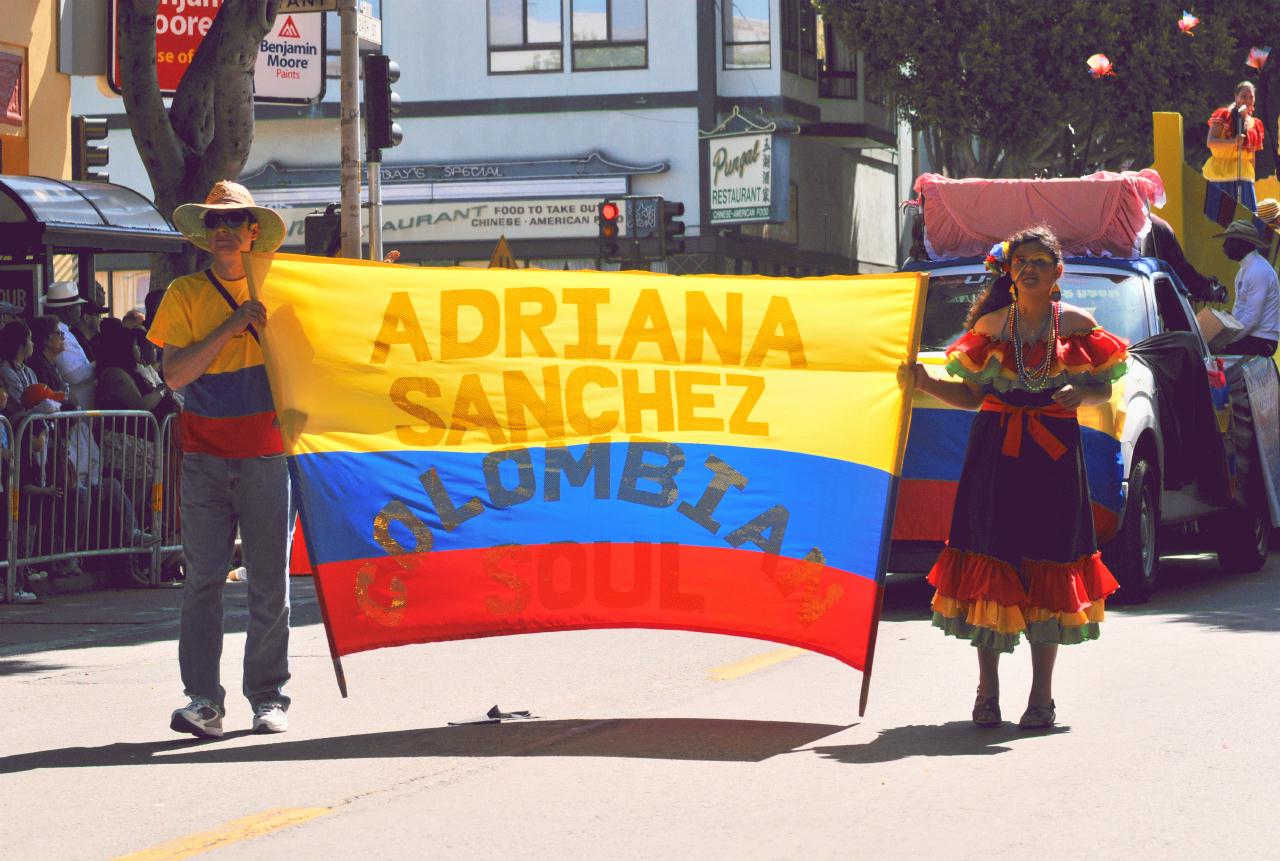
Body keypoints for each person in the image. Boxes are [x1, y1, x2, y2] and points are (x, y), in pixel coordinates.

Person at [911, 226, 1128, 729]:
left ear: (1057, 272)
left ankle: (1042, 699)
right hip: (994, 457)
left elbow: (1100, 388)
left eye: (1038, 260)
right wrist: (926, 383)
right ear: (1009, 272)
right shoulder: (989, 326)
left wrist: (1082, 396)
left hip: (1053, 461)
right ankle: (987, 692)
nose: (1027, 268)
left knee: (1049, 564)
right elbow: (969, 397)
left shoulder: (1076, 325)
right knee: (991, 559)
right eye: (1019, 261)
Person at [148, 179, 292, 739]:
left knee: (269, 586)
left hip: (268, 456)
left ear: (255, 232)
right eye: (214, 224)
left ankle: (268, 698)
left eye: (234, 221)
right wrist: (234, 325)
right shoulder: (185, 293)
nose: (224, 231)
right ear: (205, 237)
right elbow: (177, 375)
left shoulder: (287, 290)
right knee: (201, 582)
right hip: (205, 456)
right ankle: (203, 700)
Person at [1214, 219, 1280, 355]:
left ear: (1242, 244)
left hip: (1262, 340)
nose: (1224, 245)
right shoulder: (1245, 270)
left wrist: (1226, 340)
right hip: (1250, 336)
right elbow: (1241, 311)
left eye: (1229, 241)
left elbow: (1252, 318)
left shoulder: (1258, 270)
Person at [1203, 82, 1265, 219]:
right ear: (1236, 97)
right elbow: (1211, 142)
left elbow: (1252, 156)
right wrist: (1232, 142)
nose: (1247, 100)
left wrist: (1252, 180)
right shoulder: (1223, 115)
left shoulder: (1255, 124)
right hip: (1220, 174)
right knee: (1219, 219)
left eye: (1251, 97)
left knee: (1246, 220)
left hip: (1244, 176)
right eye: (1243, 96)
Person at [43, 281, 99, 408]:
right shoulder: (58, 333)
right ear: (68, 310)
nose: (80, 309)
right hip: (76, 412)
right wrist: (101, 364)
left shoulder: (65, 331)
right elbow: (72, 375)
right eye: (78, 305)